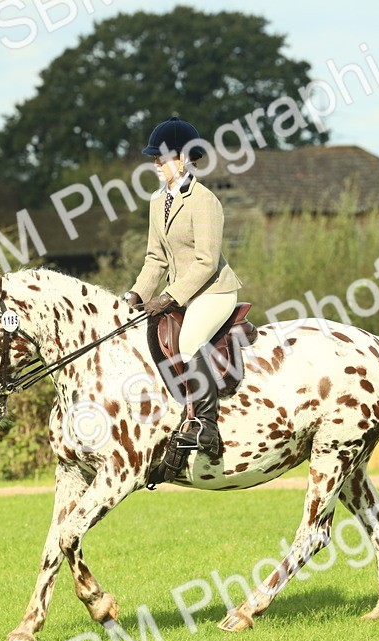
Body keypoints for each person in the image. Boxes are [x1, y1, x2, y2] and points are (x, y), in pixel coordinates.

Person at [123, 115, 243, 458]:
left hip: (213, 291)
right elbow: (155, 260)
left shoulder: (204, 200)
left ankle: (206, 424)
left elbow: (206, 260)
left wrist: (169, 297)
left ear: (185, 158)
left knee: (189, 341)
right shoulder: (157, 202)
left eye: (161, 156)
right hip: (181, 294)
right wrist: (135, 295)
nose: (156, 163)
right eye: (154, 158)